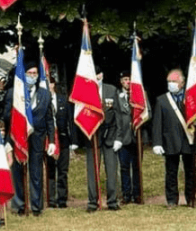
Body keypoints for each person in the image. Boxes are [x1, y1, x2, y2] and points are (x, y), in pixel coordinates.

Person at [152, 69, 196, 207]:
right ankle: (172, 200)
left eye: (174, 81)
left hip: (189, 139)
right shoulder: (161, 100)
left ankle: (191, 199)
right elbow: (157, 123)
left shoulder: (191, 97)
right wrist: (157, 143)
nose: (171, 84)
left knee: (191, 172)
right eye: (169, 82)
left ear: (182, 82)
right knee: (171, 172)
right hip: (170, 141)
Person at [80, 71, 122, 211]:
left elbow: (118, 114)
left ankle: (112, 201)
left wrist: (118, 138)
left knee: (111, 170)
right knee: (92, 172)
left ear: (102, 75)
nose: (96, 77)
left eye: (98, 75)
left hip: (110, 136)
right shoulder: (84, 91)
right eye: (93, 75)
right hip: (93, 136)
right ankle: (93, 202)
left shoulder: (111, 90)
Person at [25, 63, 55, 216]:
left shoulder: (45, 93)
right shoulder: (16, 92)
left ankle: (36, 206)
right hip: (21, 136)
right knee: (19, 171)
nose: (32, 76)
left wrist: (51, 141)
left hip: (39, 136)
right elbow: (7, 115)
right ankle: (20, 204)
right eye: (29, 73)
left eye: (34, 73)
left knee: (36, 171)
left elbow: (50, 119)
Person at [46, 76, 73, 208]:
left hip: (63, 139)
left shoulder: (63, 99)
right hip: (48, 139)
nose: (49, 86)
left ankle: (62, 199)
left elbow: (70, 121)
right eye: (46, 83)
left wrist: (73, 140)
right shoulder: (43, 100)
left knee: (63, 170)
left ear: (53, 85)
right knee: (50, 170)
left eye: (50, 83)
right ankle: (50, 199)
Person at [115, 71, 141, 204]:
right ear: (121, 81)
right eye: (125, 79)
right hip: (123, 137)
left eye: (130, 79)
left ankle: (137, 194)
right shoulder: (117, 96)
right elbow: (115, 116)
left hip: (137, 137)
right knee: (124, 167)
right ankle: (126, 194)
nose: (128, 82)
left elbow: (148, 113)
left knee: (137, 166)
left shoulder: (139, 94)